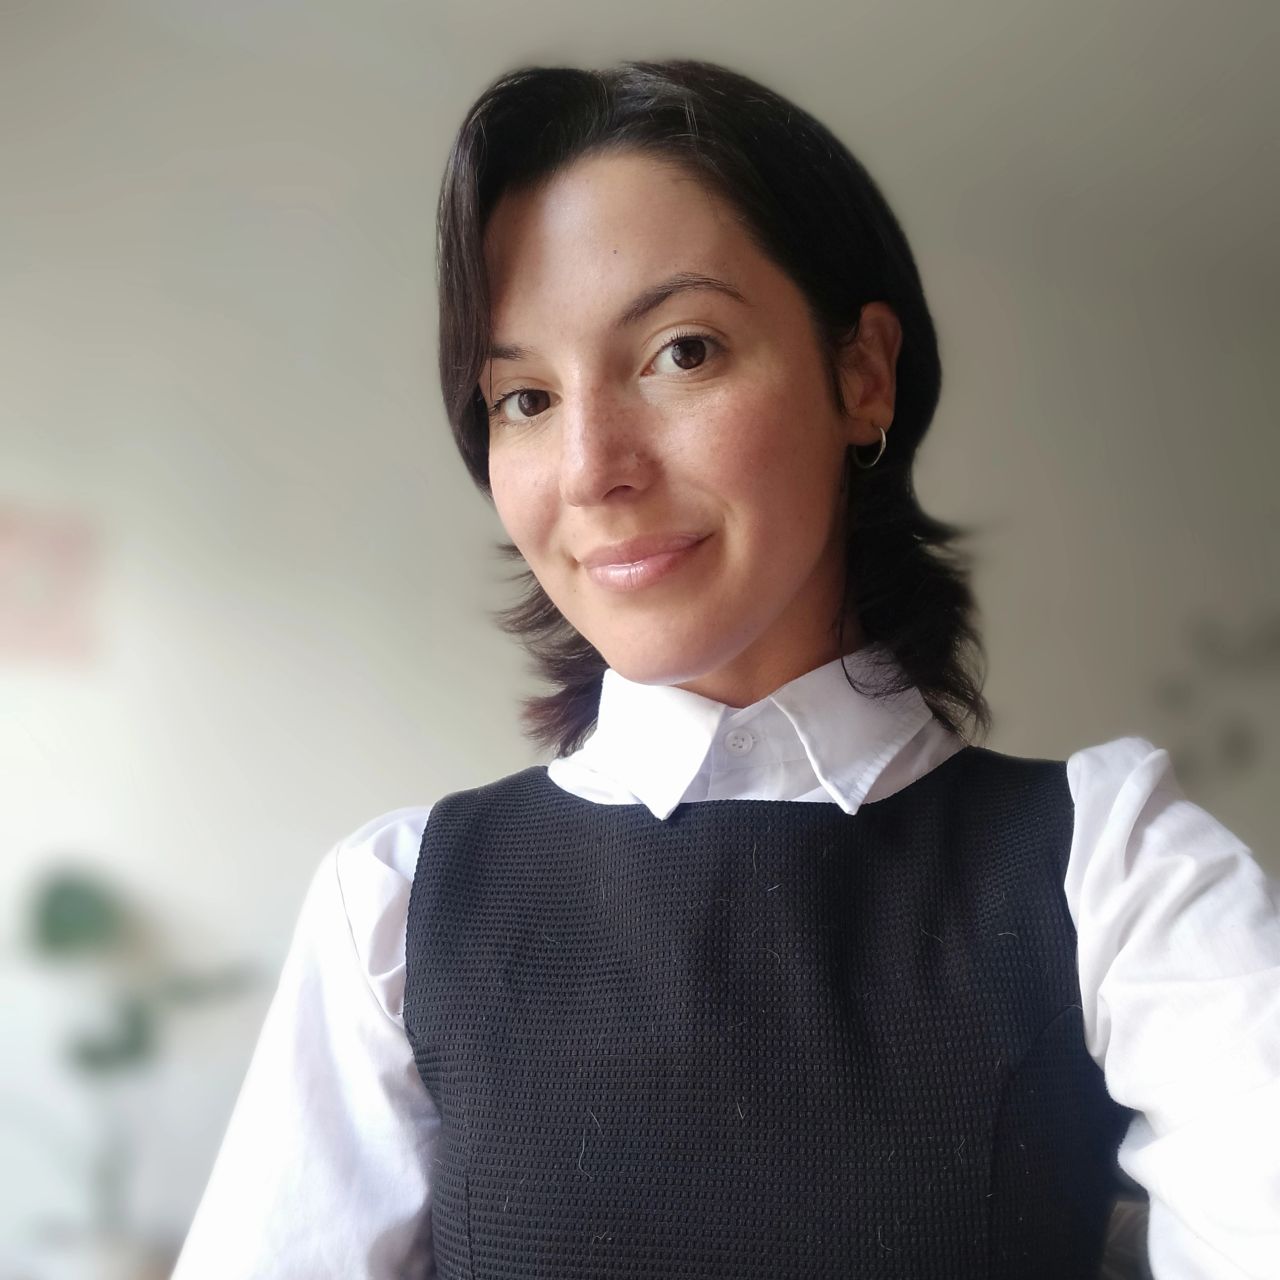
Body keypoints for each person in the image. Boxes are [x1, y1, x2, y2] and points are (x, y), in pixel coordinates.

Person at [172, 59, 1280, 1279]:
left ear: (860, 376)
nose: (590, 467)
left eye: (681, 350)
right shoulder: (397, 908)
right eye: (524, 397)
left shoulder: (1111, 872)